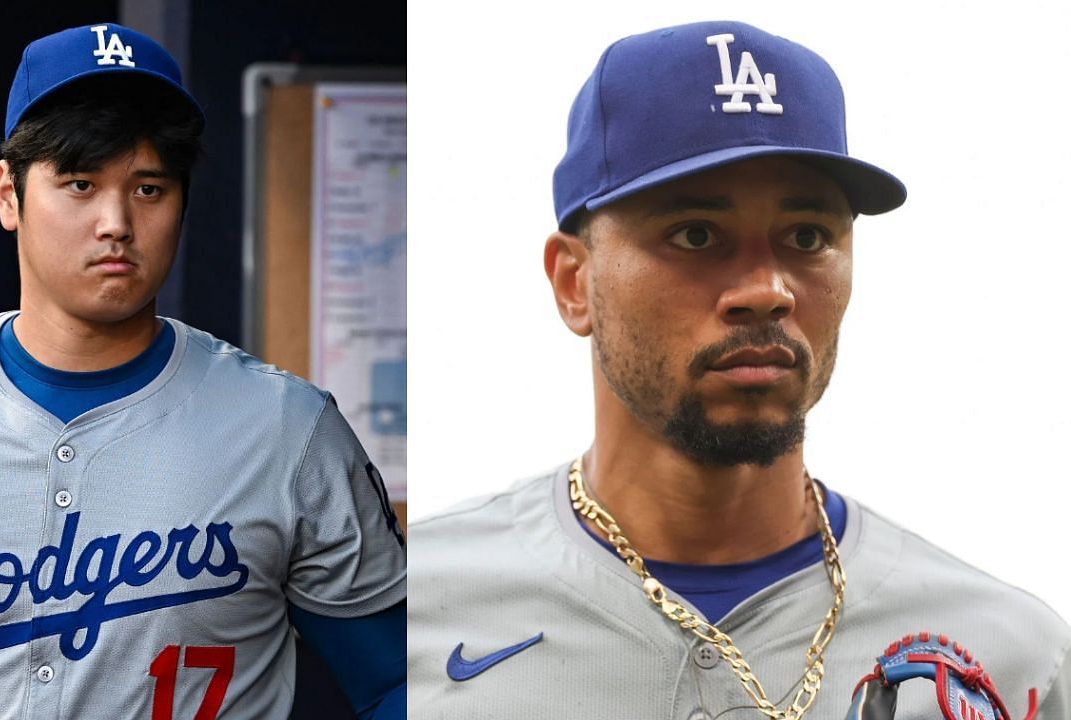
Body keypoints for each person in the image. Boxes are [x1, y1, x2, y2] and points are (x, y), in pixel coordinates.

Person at [408, 20, 1070, 719]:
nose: (767, 289)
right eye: (696, 234)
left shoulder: (1003, 655)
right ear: (575, 283)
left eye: (807, 237)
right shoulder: (418, 605)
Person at [0, 23, 406, 720]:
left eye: (148, 188)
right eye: (79, 183)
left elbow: (396, 685)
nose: (116, 221)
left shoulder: (289, 430)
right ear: (8, 195)